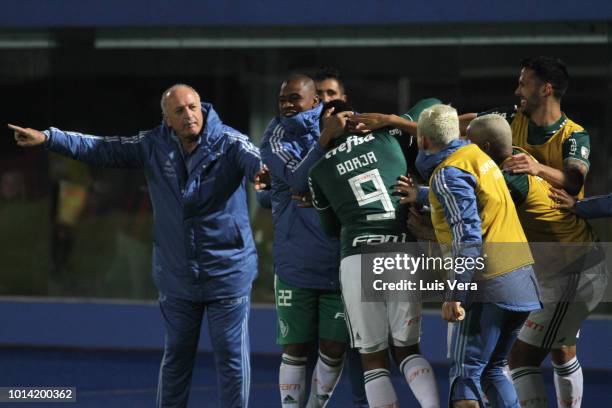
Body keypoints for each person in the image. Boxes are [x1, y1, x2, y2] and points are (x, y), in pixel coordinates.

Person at [9, 84, 262, 408]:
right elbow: (100, 148)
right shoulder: (152, 144)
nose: (189, 115)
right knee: (175, 362)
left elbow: (257, 162)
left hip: (228, 272)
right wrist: (48, 137)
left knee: (232, 362)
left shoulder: (231, 142)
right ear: (167, 120)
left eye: (193, 107)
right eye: (180, 111)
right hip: (177, 276)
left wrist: (264, 176)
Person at [402, 104, 541, 408]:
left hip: (487, 283)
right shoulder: (479, 158)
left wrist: (456, 294)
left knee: (466, 375)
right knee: (492, 369)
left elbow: (468, 237)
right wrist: (424, 194)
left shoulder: (447, 173)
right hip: (522, 279)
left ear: (423, 141)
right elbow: (478, 196)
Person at [466, 114, 607, 408]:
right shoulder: (518, 149)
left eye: (471, 145)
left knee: (520, 357)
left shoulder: (515, 176)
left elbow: (469, 203)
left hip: (572, 269)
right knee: (562, 347)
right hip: (560, 263)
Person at [309, 99, 441, 408]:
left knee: (373, 357)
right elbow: (432, 105)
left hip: (357, 254)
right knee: (408, 350)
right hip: (399, 249)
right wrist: (388, 119)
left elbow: (330, 229)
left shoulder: (318, 170)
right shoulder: (389, 137)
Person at [260, 74, 347, 407]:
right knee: (294, 349)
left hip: (339, 261)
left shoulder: (344, 130)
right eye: (283, 99)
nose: (286, 106)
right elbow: (297, 178)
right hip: (296, 264)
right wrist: (325, 138)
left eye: (294, 98)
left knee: (334, 349)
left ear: (315, 102)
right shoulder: (275, 138)